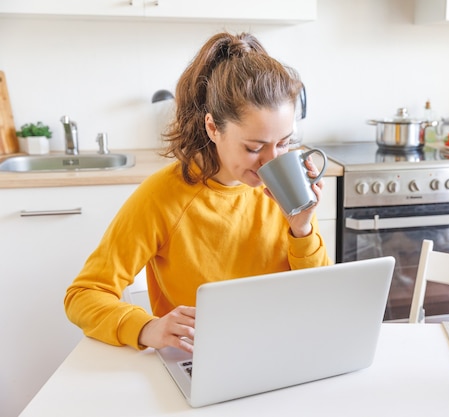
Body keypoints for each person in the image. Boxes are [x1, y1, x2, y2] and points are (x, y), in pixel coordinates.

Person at [65, 32, 330, 354]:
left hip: (282, 347)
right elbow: (84, 294)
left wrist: (301, 228)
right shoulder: (163, 196)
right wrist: (148, 327)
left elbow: (320, 296)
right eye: (254, 147)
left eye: (284, 142)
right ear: (213, 127)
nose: (271, 161)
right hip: (202, 356)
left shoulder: (287, 188)